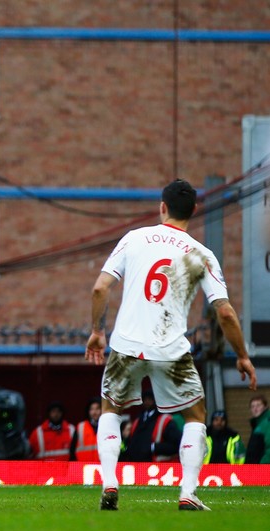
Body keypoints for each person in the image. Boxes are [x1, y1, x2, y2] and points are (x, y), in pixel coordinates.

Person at [84, 178, 257, 511]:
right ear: (193, 210)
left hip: (126, 345)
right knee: (196, 415)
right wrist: (243, 356)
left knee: (111, 409)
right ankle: (188, 492)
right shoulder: (200, 254)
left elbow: (100, 289)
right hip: (171, 350)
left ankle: (109, 483)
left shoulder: (134, 238)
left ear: (161, 207)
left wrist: (97, 331)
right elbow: (225, 312)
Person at [123, 389, 182, 462]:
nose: (147, 402)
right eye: (145, 399)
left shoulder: (165, 420)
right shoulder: (137, 421)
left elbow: (176, 444)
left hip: (158, 467)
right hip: (136, 466)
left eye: (150, 399)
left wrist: (153, 447)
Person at [71, 397, 102, 461]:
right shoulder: (80, 427)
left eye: (97, 408)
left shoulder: (107, 426)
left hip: (102, 468)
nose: (94, 412)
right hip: (83, 468)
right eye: (92, 409)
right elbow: (72, 450)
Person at [246, 395, 270, 464]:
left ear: (265, 407)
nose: (255, 409)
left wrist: (262, 464)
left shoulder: (267, 423)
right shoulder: (259, 424)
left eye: (258, 405)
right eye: (252, 406)